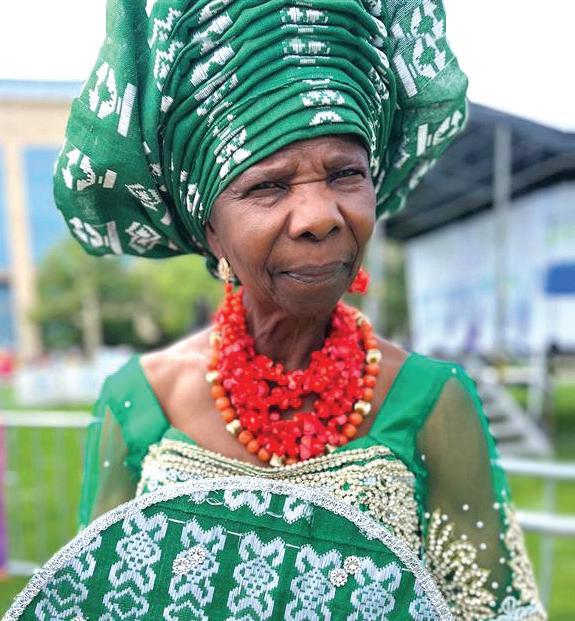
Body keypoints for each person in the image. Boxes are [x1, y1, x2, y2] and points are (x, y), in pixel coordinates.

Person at [48, 0, 547, 619]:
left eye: (345, 175)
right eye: (268, 185)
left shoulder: (433, 399)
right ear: (210, 229)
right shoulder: (140, 401)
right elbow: (90, 599)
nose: (319, 216)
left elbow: (492, 610)